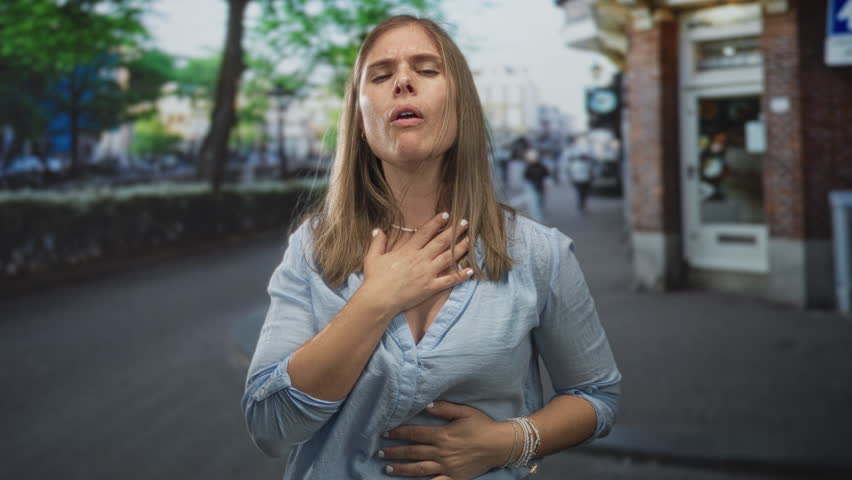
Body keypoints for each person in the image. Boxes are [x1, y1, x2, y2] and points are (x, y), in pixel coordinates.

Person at [242, 15, 621, 480]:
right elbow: (268, 426)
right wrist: (375, 301)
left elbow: (597, 396)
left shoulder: (539, 253)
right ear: (360, 120)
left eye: (426, 69)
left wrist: (507, 442)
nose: (402, 81)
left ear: (460, 104)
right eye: (380, 76)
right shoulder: (313, 249)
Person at [522, 148, 549, 223]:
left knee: (539, 200)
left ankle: (540, 216)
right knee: (536, 201)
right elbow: (526, 176)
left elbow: (546, 173)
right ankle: (538, 216)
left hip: (539, 185)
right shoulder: (530, 166)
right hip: (534, 185)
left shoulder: (539, 166)